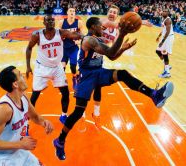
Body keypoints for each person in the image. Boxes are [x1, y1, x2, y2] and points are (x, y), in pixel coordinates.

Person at [53, 17, 174, 160]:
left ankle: (154, 95)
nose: (102, 28)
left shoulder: (98, 40)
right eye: (100, 26)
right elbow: (110, 53)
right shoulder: (89, 40)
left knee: (122, 74)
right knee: (78, 112)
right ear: (93, 26)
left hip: (98, 72)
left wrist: (123, 48)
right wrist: (121, 34)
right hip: (86, 76)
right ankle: (60, 141)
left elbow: (112, 57)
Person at [92, 5, 153, 129]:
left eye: (115, 12)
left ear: (117, 15)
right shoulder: (103, 22)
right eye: (110, 11)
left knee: (97, 85)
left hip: (98, 57)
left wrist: (122, 49)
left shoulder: (116, 32)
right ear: (107, 12)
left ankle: (96, 113)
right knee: (86, 90)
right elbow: (115, 24)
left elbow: (111, 55)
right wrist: (141, 22)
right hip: (87, 57)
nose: (112, 14)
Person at [0, 66, 53, 166]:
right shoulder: (4, 109)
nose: (24, 76)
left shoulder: (23, 97)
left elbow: (35, 117)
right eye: (20, 75)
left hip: (17, 150)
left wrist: (44, 122)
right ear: (15, 84)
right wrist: (20, 144)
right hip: (1, 158)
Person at [26, 15, 83, 124]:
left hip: (57, 68)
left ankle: (63, 115)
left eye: (52, 20)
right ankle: (26, 123)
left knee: (65, 93)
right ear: (44, 23)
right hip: (41, 68)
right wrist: (28, 66)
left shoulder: (61, 32)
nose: (51, 22)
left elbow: (74, 35)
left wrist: (82, 35)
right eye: (48, 20)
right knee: (34, 96)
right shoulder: (37, 35)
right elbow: (29, 48)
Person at [58, 7, 84, 89]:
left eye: (73, 11)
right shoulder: (61, 22)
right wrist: (61, 38)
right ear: (67, 13)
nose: (72, 12)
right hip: (64, 48)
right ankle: (63, 81)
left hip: (73, 48)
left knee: (73, 66)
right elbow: (58, 34)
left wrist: (79, 41)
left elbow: (82, 36)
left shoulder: (79, 23)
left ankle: (74, 78)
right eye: (70, 11)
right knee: (62, 68)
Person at [155, 9, 174, 78]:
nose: (163, 12)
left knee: (165, 54)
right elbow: (164, 30)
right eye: (163, 11)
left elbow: (168, 32)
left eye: (165, 11)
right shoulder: (164, 19)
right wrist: (159, 36)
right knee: (157, 51)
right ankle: (167, 66)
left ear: (168, 13)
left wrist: (162, 42)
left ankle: (167, 73)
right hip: (165, 38)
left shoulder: (168, 20)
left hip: (168, 39)